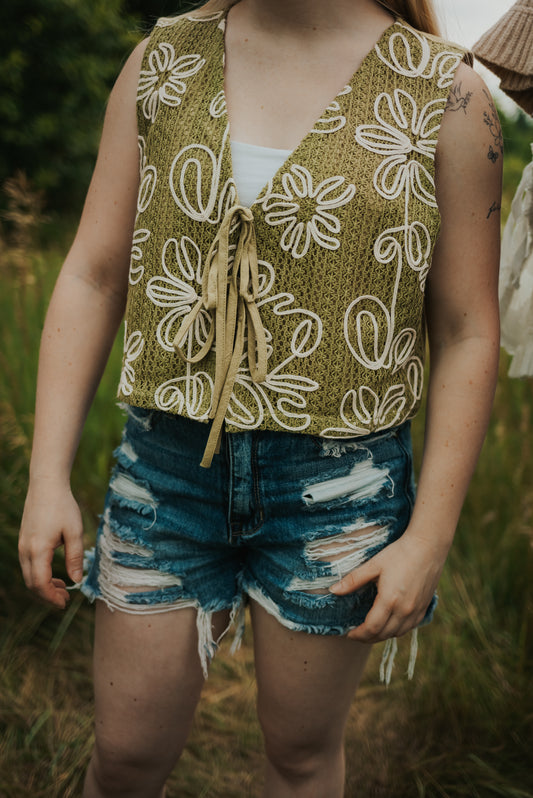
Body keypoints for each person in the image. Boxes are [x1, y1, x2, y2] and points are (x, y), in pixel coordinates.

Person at [18, 0, 502, 795]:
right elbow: (92, 276)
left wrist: (429, 538)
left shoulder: (445, 94)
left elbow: (465, 331)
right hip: (166, 472)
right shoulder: (161, 61)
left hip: (340, 490)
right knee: (126, 756)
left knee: (301, 755)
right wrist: (47, 478)